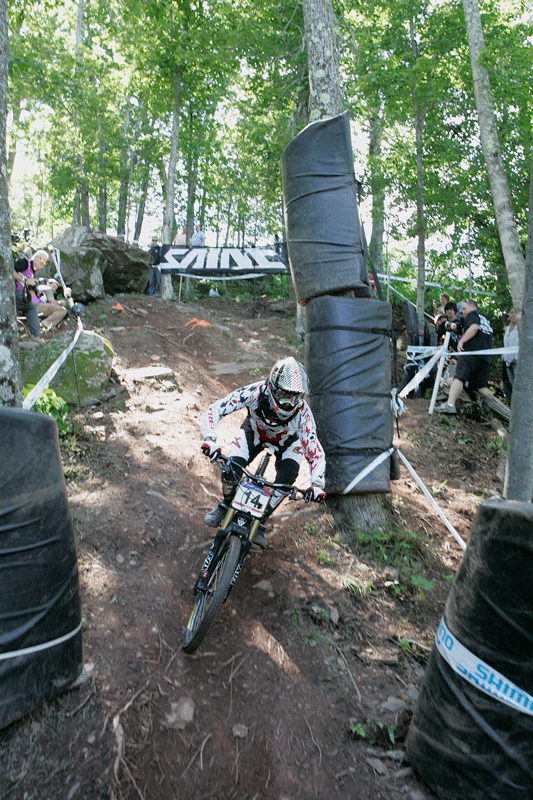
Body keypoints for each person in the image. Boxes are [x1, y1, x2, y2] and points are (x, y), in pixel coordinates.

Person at [201, 357, 326, 548]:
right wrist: (210, 439)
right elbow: (217, 407)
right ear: (273, 387)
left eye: (296, 397)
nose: (290, 403)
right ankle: (225, 505)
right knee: (230, 470)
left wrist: (317, 484)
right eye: (285, 394)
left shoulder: (303, 414)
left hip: (288, 443)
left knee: (285, 482)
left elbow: (316, 453)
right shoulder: (255, 392)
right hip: (254, 432)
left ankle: (260, 522)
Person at [435, 299, 493, 414]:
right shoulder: (485, 319)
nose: (463, 312)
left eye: (465, 309)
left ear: (472, 307)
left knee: (459, 378)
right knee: (481, 386)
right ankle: (499, 409)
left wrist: (461, 342)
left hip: (470, 353)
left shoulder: (473, 314)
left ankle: (450, 404)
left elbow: (474, 328)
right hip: (485, 356)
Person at [13, 248, 49, 342]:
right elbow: (9, 271)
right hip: (12, 290)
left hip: (19, 294)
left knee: (31, 307)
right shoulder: (25, 262)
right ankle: (36, 336)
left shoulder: (32, 272)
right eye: (42, 260)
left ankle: (36, 335)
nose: (42, 263)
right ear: (36, 257)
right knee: (31, 308)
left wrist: (33, 291)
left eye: (44, 262)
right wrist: (25, 280)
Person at [501, 307, 518, 401]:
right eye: (512, 312)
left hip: (516, 360)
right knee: (511, 384)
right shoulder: (507, 329)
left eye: (515, 313)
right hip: (507, 360)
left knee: (517, 384)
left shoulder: (521, 328)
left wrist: (516, 357)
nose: (513, 315)